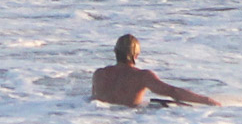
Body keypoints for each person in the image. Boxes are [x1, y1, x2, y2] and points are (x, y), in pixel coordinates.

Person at [91, 34, 221, 107]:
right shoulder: (142, 76)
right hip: (128, 122)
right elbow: (173, 91)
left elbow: (92, 101)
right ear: (136, 55)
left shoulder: (99, 74)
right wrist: (207, 100)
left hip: (101, 121)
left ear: (115, 52)